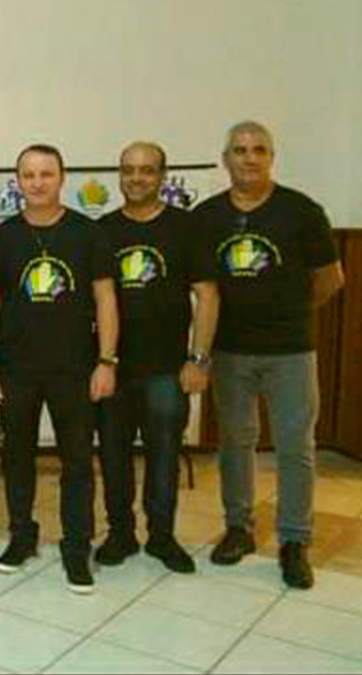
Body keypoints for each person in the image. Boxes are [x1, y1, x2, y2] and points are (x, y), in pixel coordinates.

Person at [197, 121, 343, 589]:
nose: (249, 158)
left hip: (290, 351)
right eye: (240, 150)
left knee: (295, 446)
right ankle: (238, 528)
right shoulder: (207, 216)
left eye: (259, 150)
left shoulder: (301, 211)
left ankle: (294, 541)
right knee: (235, 442)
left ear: (271, 157)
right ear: (226, 159)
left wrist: (291, 314)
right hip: (230, 351)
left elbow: (331, 279)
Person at [0, 144, 118, 595]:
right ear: (18, 181)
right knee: (16, 456)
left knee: (77, 461)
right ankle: (22, 536)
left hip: (75, 368)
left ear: (62, 178)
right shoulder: (2, 237)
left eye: (46, 174)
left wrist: (107, 361)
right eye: (29, 175)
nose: (37, 183)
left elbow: (105, 299)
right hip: (15, 368)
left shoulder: (87, 232)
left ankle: (76, 546)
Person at [95, 142, 220, 574]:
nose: (136, 178)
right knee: (113, 455)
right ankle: (120, 533)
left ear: (162, 176)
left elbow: (208, 296)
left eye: (146, 170)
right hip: (114, 366)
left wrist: (199, 359)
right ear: (119, 175)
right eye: (128, 170)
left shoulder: (186, 228)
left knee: (164, 455)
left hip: (167, 368)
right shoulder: (103, 230)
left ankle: (162, 537)